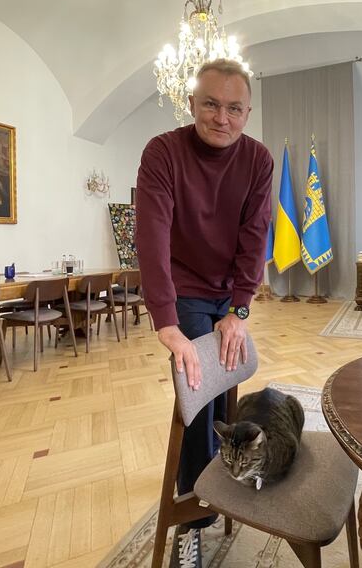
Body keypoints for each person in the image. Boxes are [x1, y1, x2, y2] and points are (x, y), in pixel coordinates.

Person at [134, 58, 273, 567]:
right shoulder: (163, 152)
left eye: (234, 108)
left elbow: (255, 236)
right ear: (191, 103)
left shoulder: (257, 160)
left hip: (228, 292)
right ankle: (192, 519)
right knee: (198, 396)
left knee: (224, 396)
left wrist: (240, 308)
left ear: (247, 113)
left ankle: (222, 477)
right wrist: (166, 322)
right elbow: (151, 236)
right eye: (211, 104)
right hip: (184, 291)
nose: (222, 117)